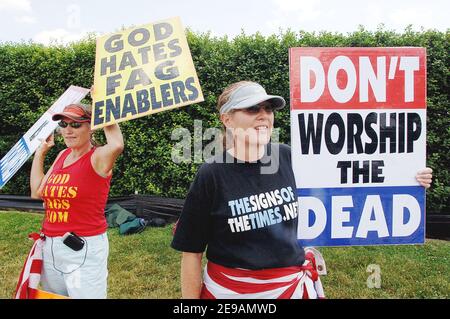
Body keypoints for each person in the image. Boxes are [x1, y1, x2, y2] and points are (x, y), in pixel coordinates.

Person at [171, 81, 433, 299]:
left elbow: (352, 178)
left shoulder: (288, 157)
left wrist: (409, 178)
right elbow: (191, 252)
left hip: (292, 287)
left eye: (268, 108)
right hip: (231, 292)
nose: (264, 115)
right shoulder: (212, 174)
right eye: (252, 109)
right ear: (227, 119)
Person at [29, 101, 124, 299]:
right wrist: (40, 153)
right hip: (50, 247)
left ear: (92, 127)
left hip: (82, 248)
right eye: (63, 125)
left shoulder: (98, 157)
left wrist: (103, 104)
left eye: (76, 124)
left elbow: (116, 144)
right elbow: (38, 192)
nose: (68, 131)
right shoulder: (63, 155)